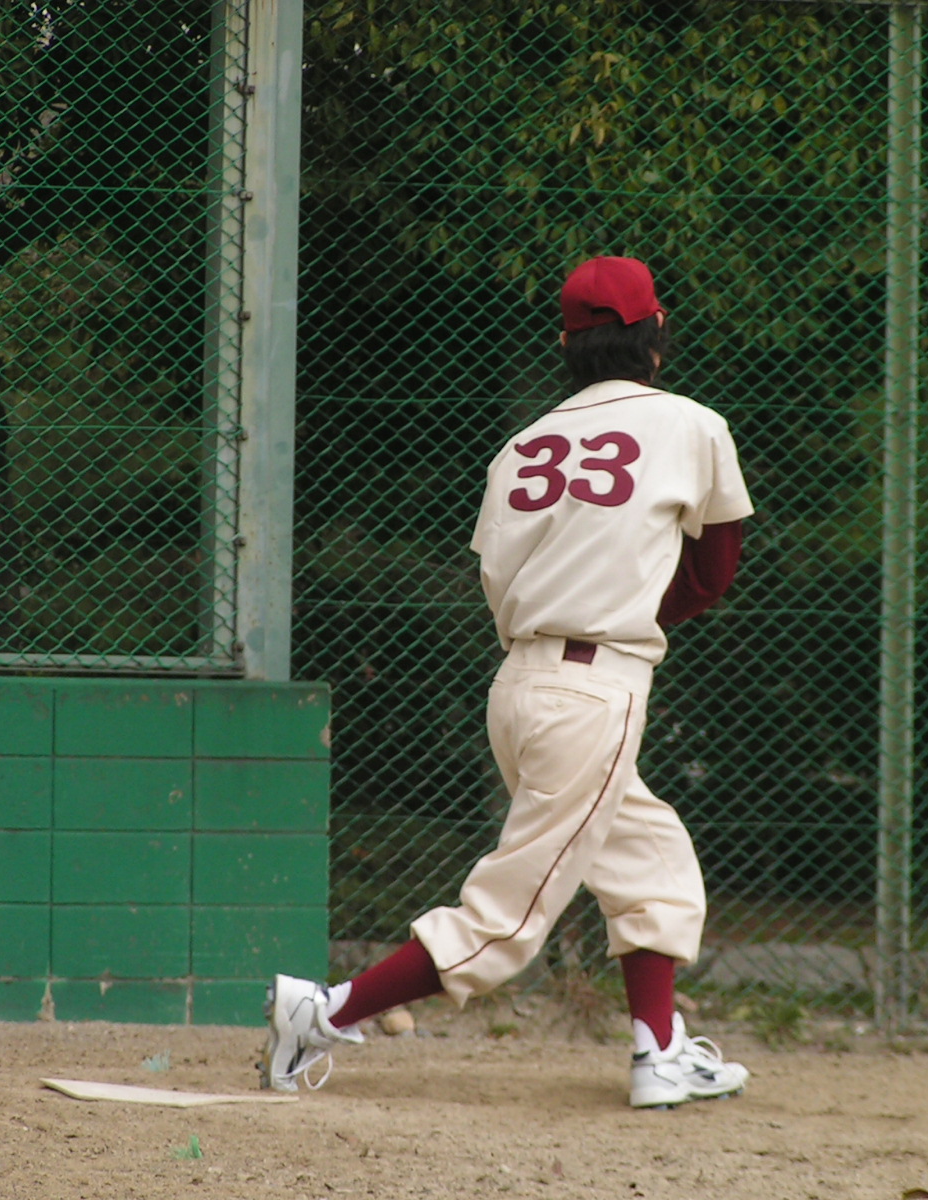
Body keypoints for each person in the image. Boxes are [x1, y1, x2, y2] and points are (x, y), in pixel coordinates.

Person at [261, 256, 754, 1109]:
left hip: (521, 685)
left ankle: (661, 1051)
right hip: (594, 688)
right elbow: (713, 571)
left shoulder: (522, 445)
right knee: (508, 918)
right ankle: (327, 1010)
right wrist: (627, 611)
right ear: (655, 334)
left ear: (566, 344)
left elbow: (498, 580)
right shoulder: (691, 424)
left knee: (651, 862)